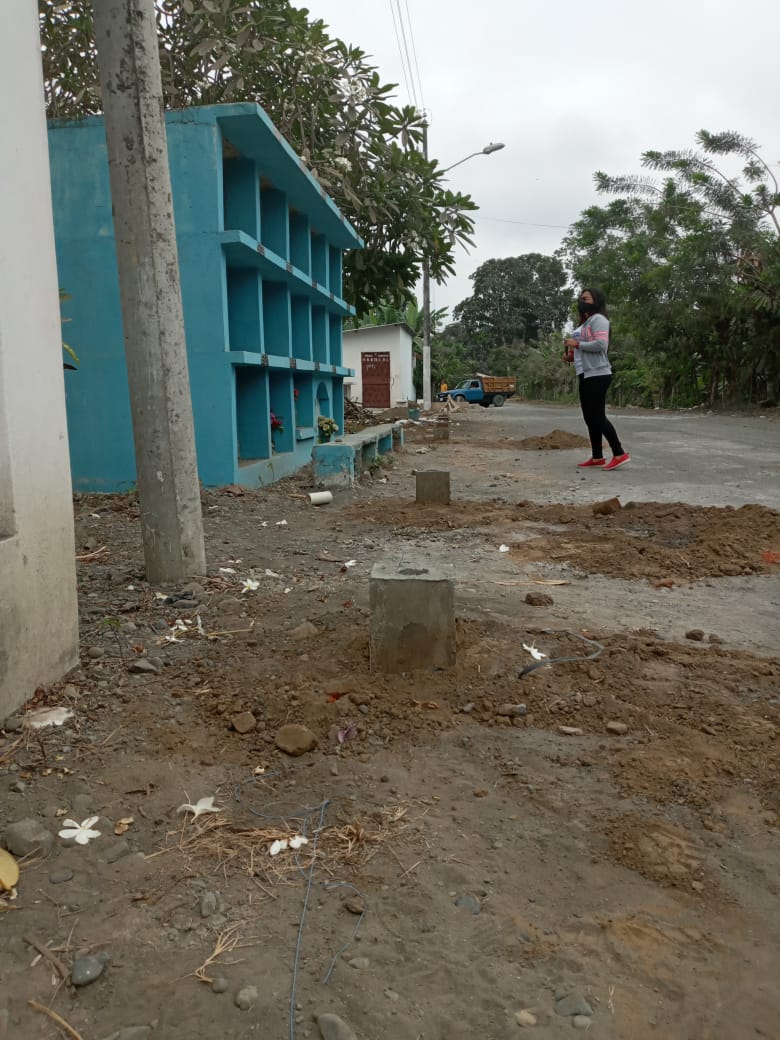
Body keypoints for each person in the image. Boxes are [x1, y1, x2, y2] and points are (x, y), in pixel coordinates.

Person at [563, 288, 630, 470]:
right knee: (589, 417)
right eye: (580, 298)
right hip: (586, 373)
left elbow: (601, 345)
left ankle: (619, 453)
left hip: (598, 374)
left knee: (597, 416)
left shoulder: (599, 319)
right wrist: (572, 356)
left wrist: (577, 344)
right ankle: (597, 456)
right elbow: (586, 349)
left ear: (596, 301)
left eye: (585, 298)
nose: (581, 301)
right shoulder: (587, 322)